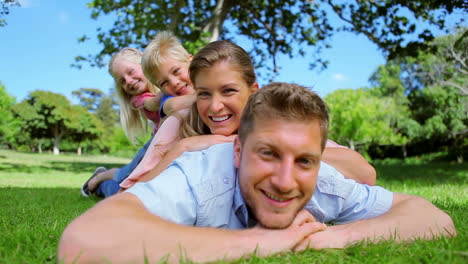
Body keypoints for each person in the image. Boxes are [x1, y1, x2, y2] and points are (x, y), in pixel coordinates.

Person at [58, 82, 455, 263]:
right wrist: (261, 242)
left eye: (304, 160)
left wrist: (329, 239)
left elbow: (432, 217)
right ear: (237, 150)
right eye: (268, 154)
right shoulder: (201, 176)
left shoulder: (323, 181)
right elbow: (84, 241)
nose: (285, 181)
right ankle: (100, 178)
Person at [120, 37, 376, 190]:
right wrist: (182, 149)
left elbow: (366, 174)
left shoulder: (274, 124)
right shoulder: (179, 124)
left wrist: (258, 146)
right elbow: (129, 196)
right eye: (204, 94)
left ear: (253, 91)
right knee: (116, 180)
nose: (215, 106)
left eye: (228, 91)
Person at [81, 47, 194, 198]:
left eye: (130, 72)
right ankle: (102, 180)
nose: (128, 81)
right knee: (125, 177)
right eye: (122, 80)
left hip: (170, 145)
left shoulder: (174, 85)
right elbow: (153, 104)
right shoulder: (139, 99)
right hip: (154, 146)